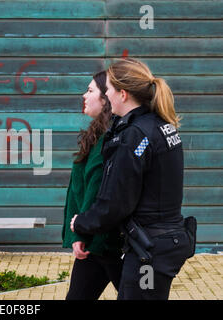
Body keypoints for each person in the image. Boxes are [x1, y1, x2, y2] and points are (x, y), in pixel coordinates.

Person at [71, 58, 194, 300]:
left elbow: (116, 202)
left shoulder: (136, 136)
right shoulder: (159, 126)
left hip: (149, 251)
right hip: (158, 244)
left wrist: (81, 223)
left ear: (123, 94)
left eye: (109, 91)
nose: (107, 96)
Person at [62, 70, 124, 300]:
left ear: (106, 99)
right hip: (97, 242)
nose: (84, 96)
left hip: (102, 242)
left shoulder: (106, 139)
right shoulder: (98, 135)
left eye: (90, 91)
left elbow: (95, 189)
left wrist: (82, 231)